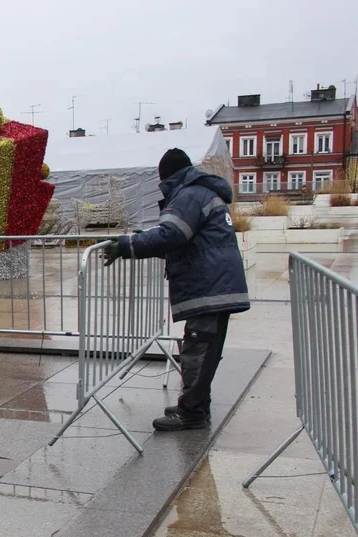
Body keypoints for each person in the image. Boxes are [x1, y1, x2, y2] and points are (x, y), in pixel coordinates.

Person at [104, 148, 250, 431]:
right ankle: (195, 404)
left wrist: (126, 246)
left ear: (168, 177)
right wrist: (141, 241)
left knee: (198, 347)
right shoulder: (202, 191)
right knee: (204, 347)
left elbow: (172, 234)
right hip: (217, 283)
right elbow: (184, 241)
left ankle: (192, 412)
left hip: (209, 286)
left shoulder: (189, 195)